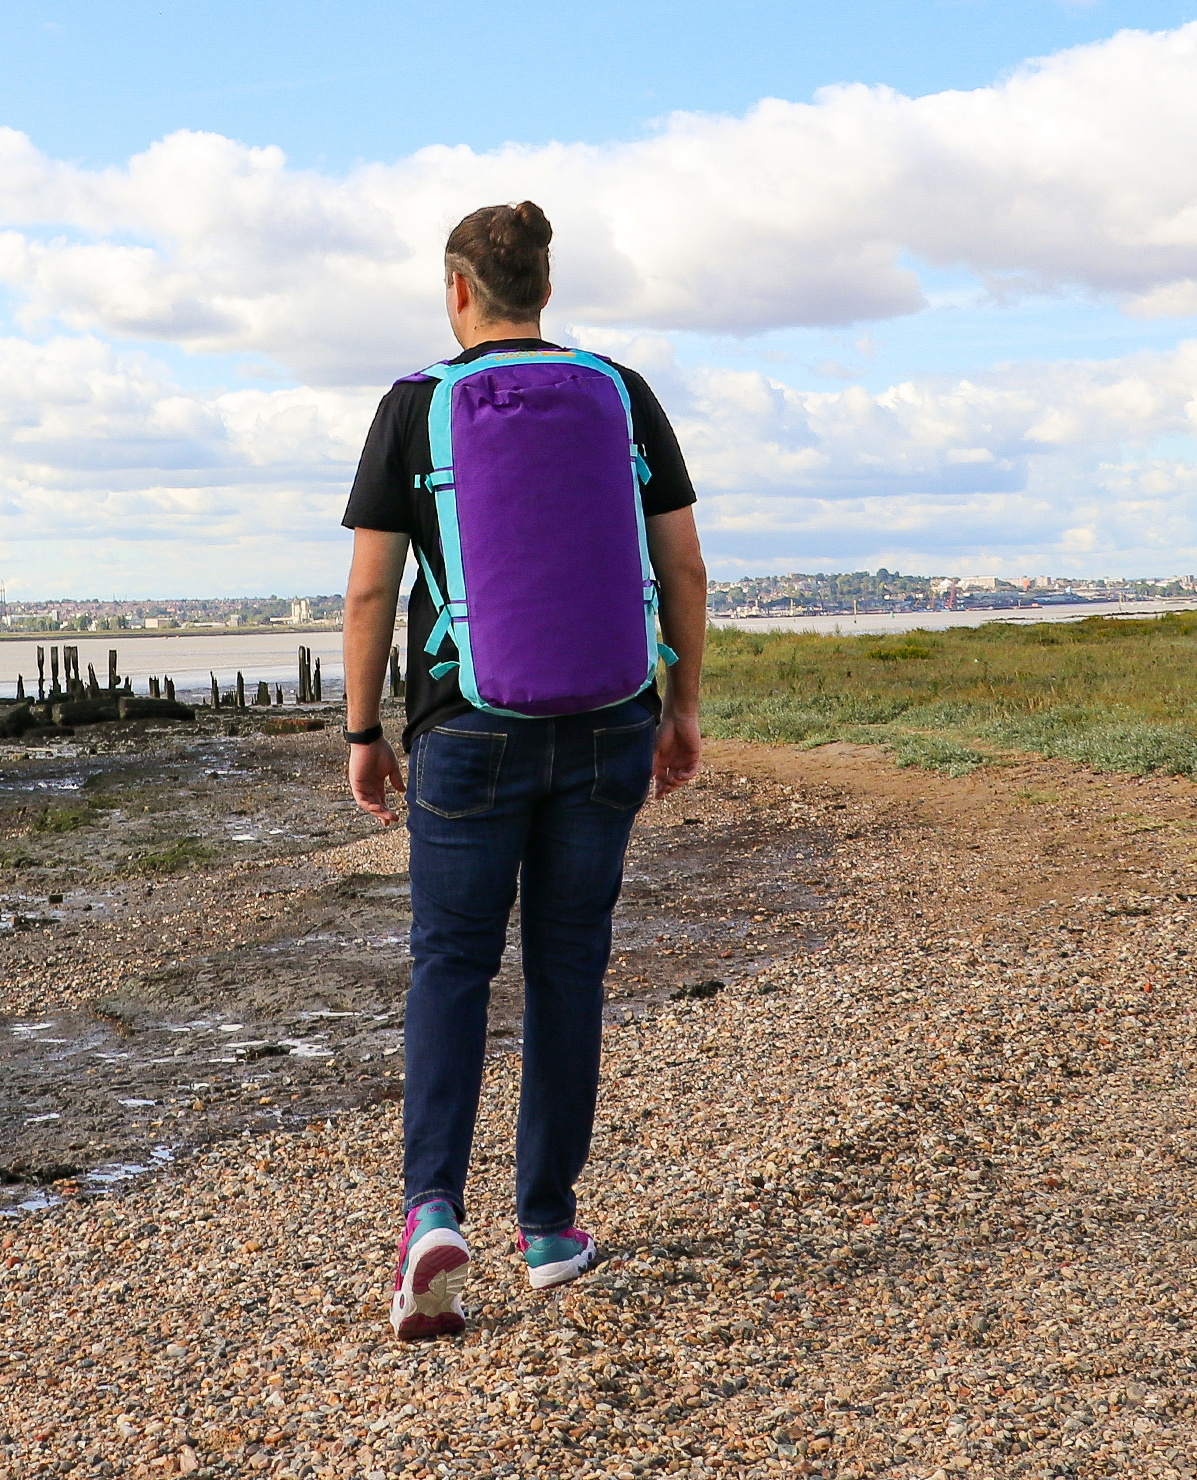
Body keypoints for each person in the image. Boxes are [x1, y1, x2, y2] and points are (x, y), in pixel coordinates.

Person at [339, 201, 707, 1340]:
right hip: (608, 721)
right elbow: (684, 565)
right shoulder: (622, 392)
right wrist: (682, 704)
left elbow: (367, 589)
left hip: (468, 727)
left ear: (459, 289)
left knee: (451, 963)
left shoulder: (415, 406)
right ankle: (547, 1227)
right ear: (543, 287)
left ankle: (431, 1213)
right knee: (567, 967)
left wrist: (363, 731)